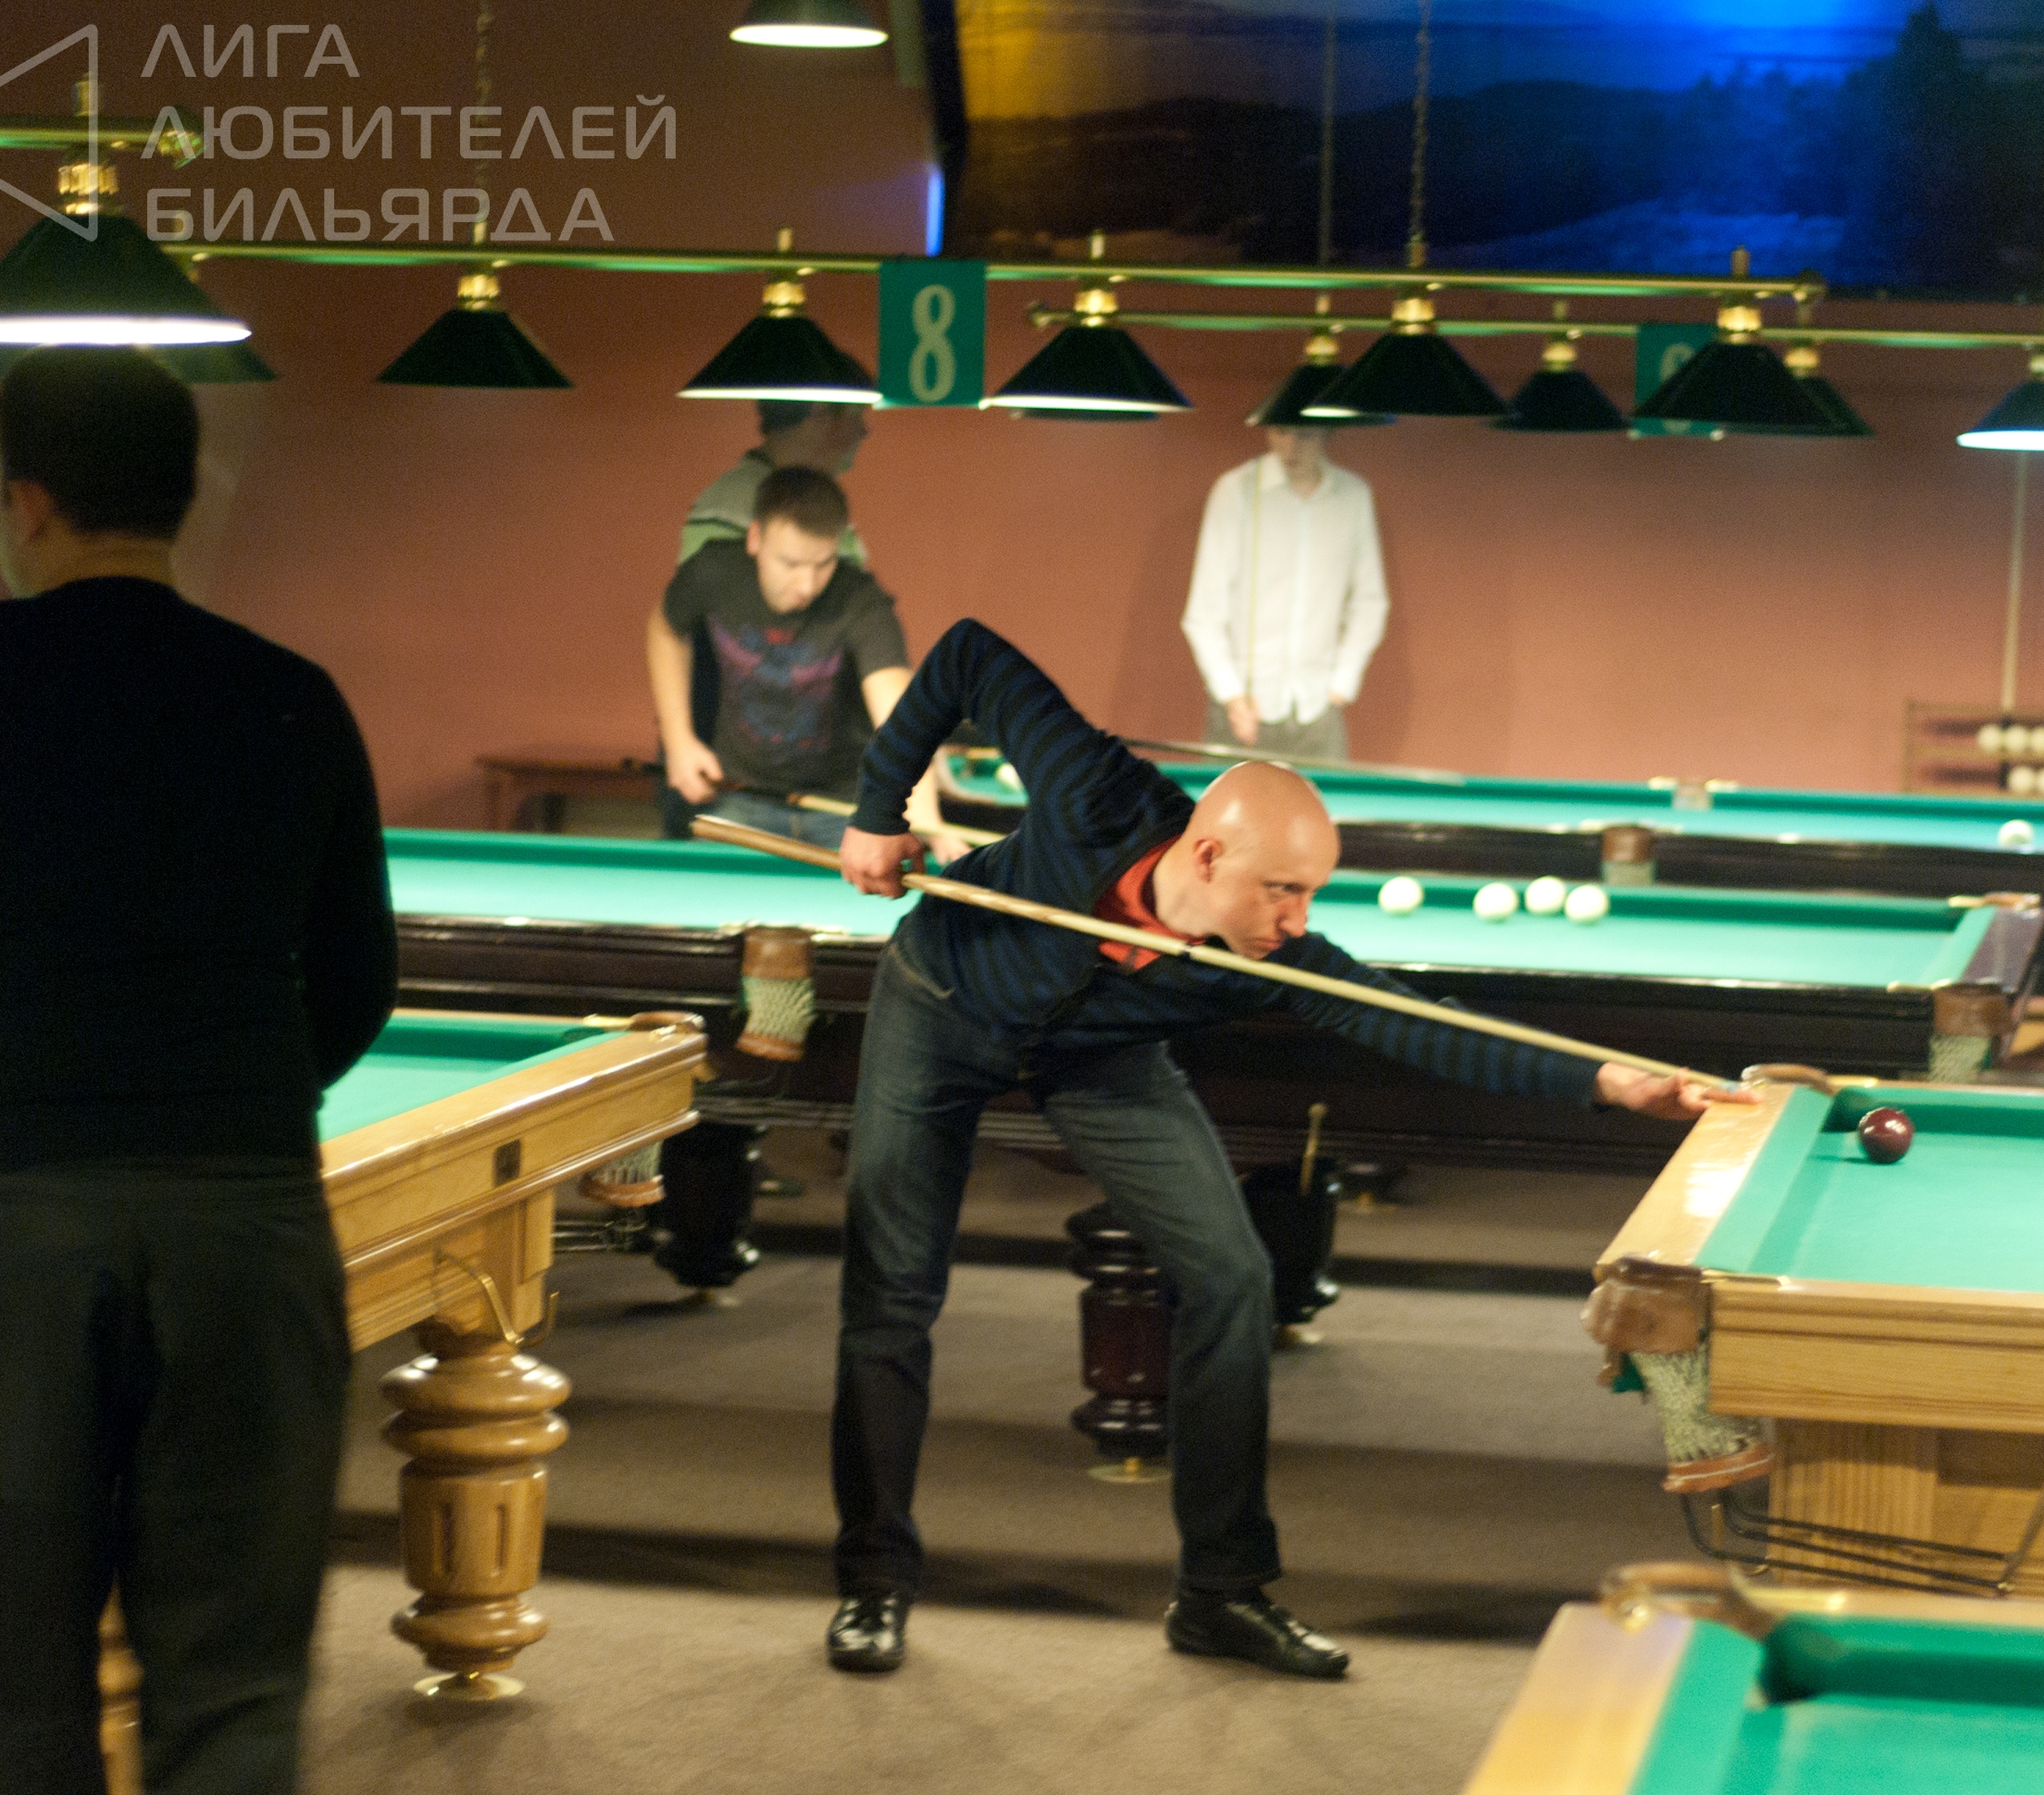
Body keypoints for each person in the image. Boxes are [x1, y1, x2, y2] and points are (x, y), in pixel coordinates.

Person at [820, 619, 1735, 1679]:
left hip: (1101, 1057)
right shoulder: (1091, 788)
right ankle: (872, 1582)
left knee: (1233, 1276)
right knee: (891, 1295)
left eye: (1311, 893)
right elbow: (968, 655)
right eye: (1281, 890)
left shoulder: (1267, 951)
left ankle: (1221, 1593)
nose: (1297, 919)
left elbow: (1414, 1022)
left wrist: (1609, 1081)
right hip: (941, 1002)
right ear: (1207, 855)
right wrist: (877, 813)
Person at [0, 347, 396, 1794]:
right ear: (183, 498)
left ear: (28, 500)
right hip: (249, 1223)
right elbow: (357, 985)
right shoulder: (291, 694)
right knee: (234, 1700)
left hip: (10, 1225)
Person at [650, 466, 963, 854]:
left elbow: (900, 715)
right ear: (755, 539)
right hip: (741, 796)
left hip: (844, 808)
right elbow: (666, 629)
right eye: (791, 564)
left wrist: (926, 821)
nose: (807, 585)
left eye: (822, 564)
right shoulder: (714, 573)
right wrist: (678, 740)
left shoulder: (860, 602)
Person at [1180, 425, 1390, 760]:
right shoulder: (1238, 489)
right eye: (1280, 432)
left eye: (1304, 435)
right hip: (1243, 707)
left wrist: (1341, 684)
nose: (1290, 447)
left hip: (1318, 709)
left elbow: (1370, 601)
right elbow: (1203, 614)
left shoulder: (1352, 495)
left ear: (1326, 433)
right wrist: (1231, 695)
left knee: (1328, 798)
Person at [679, 398, 871, 567]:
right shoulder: (746, 504)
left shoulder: (749, 495)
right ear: (819, 412)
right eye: (856, 415)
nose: (864, 431)